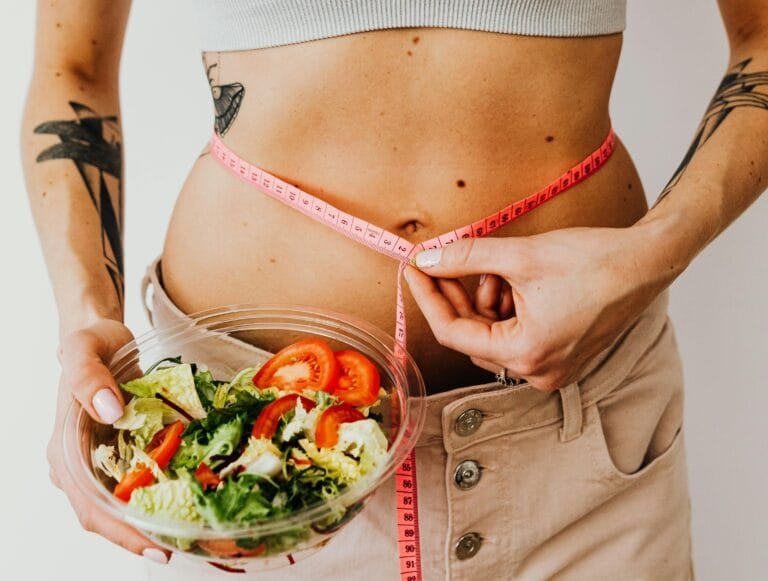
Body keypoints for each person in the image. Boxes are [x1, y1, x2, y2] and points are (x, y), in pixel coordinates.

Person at [21, 0, 767, 579]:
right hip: (250, 460)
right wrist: (89, 318)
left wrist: (648, 257)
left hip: (582, 447)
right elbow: (73, 71)